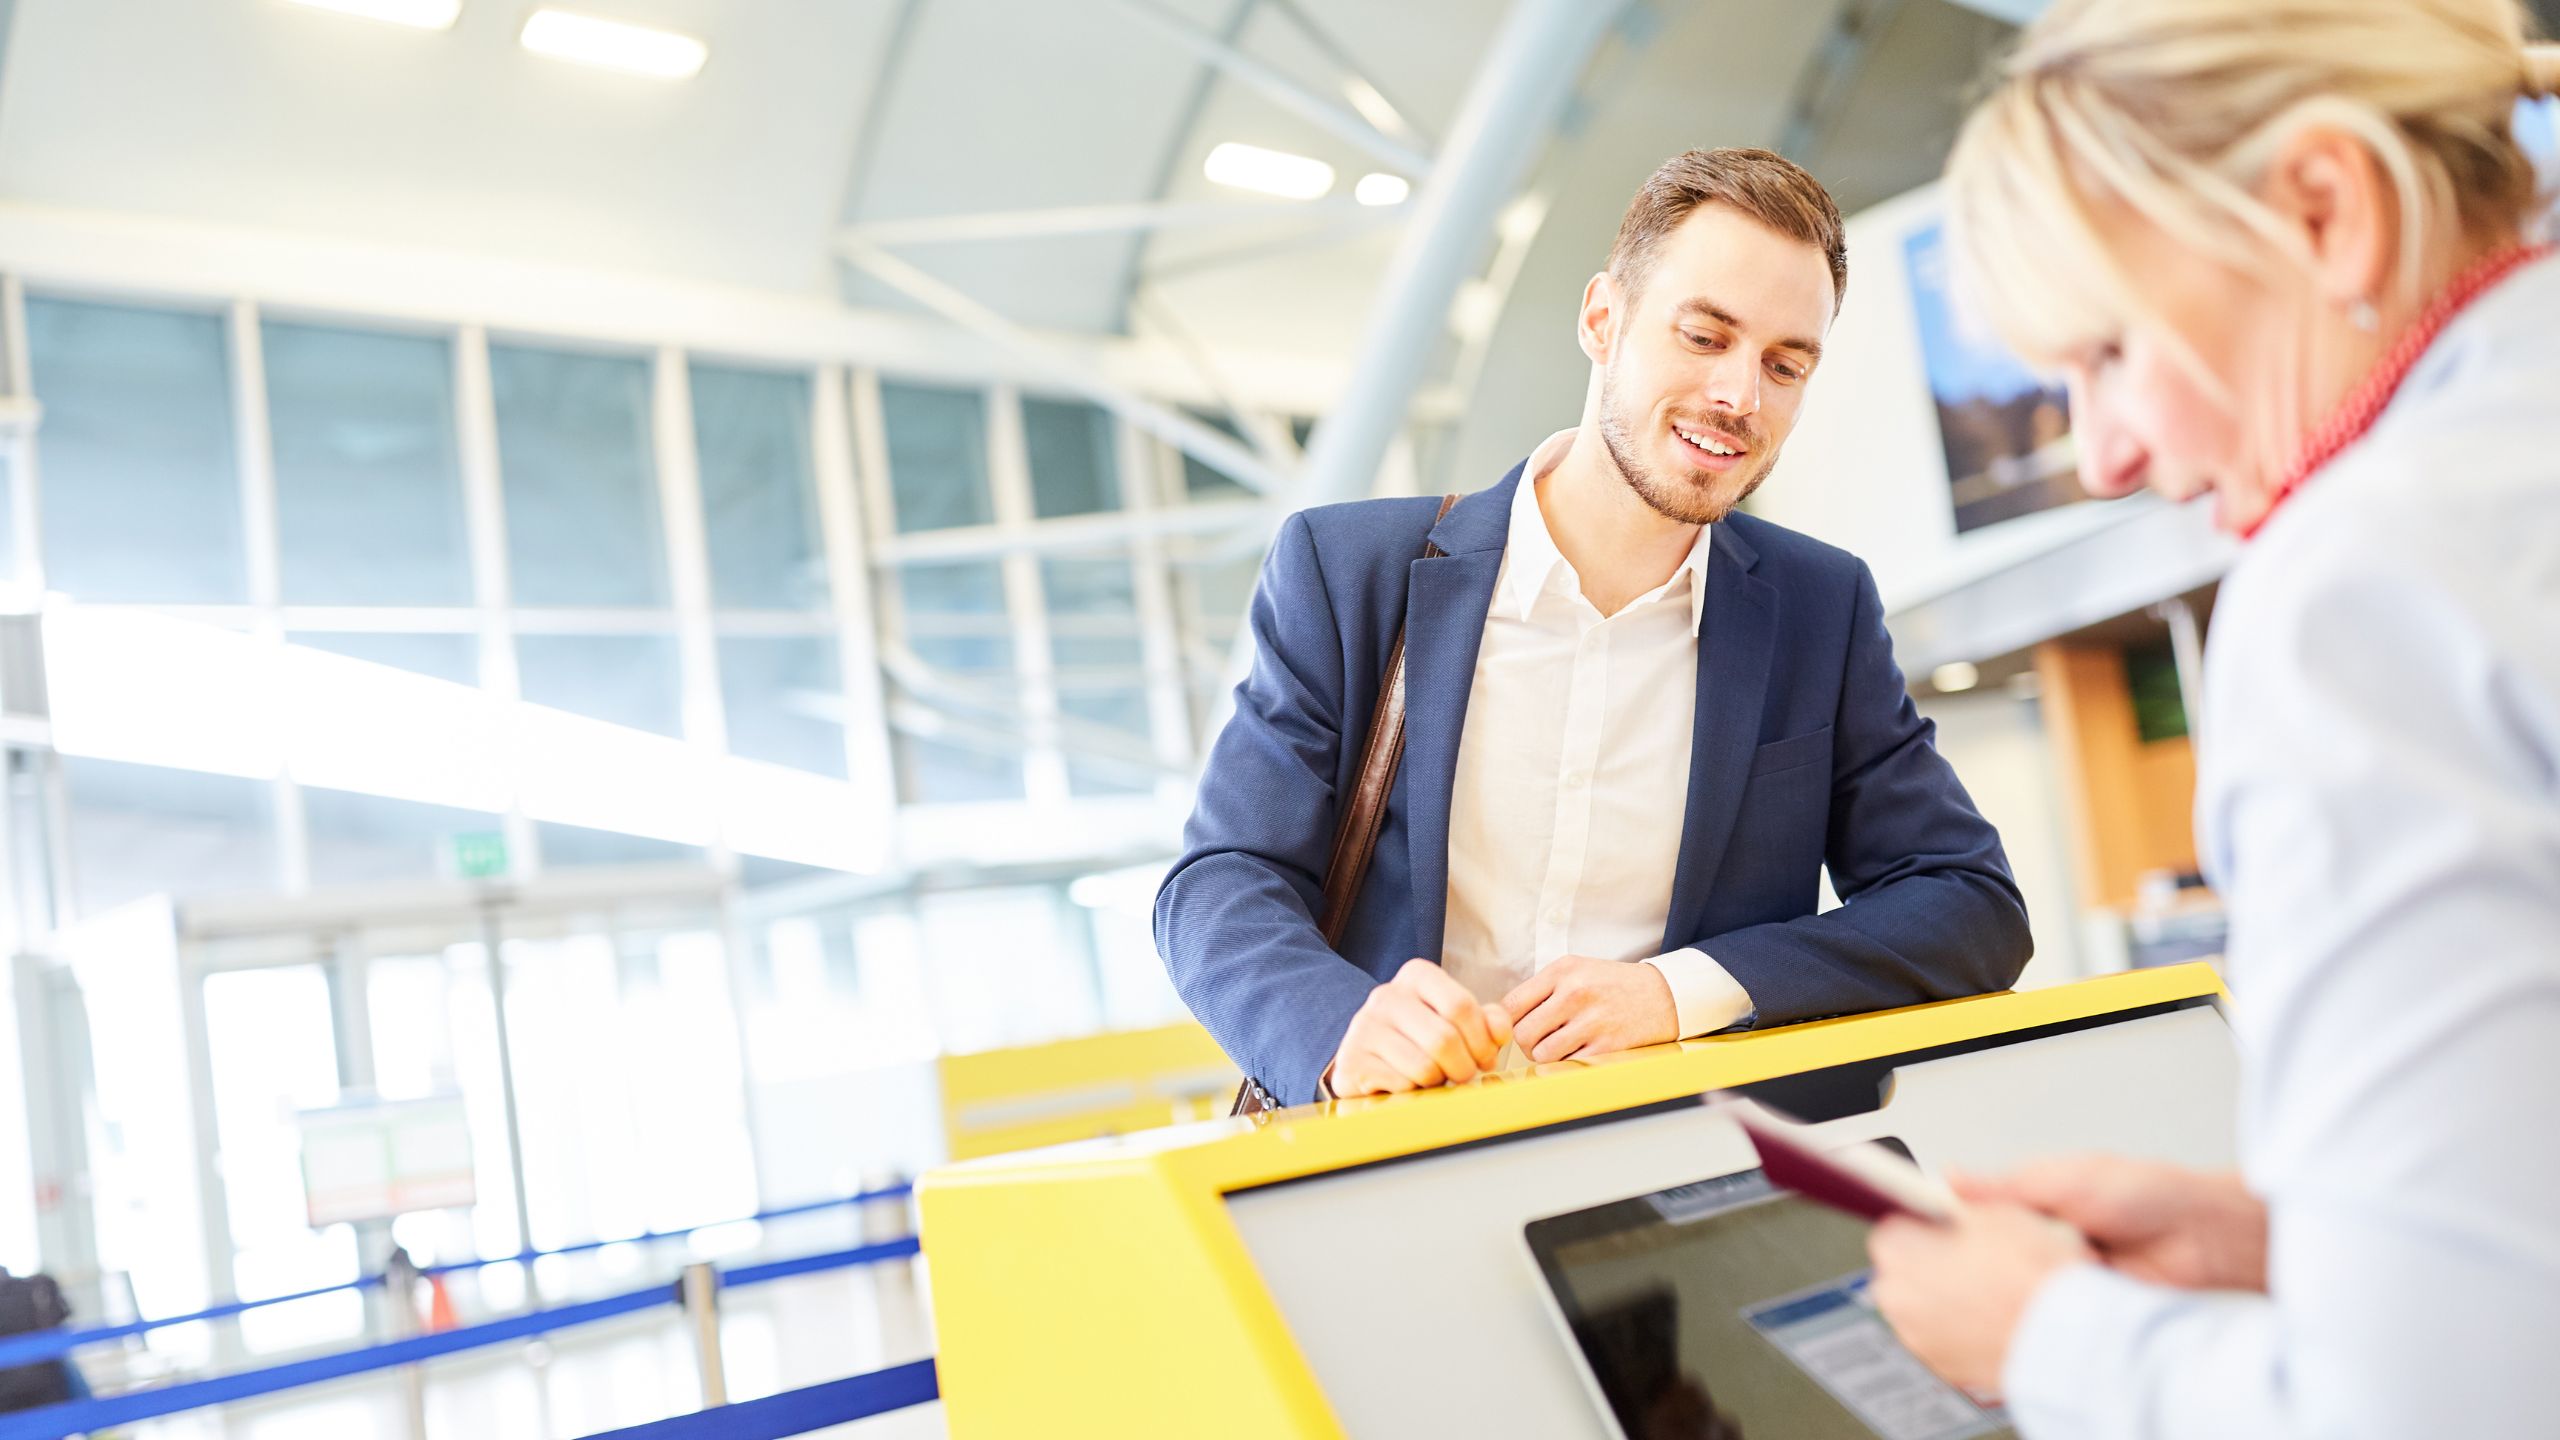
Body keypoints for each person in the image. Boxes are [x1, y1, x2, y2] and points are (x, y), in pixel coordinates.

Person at [1861, 3, 2560, 1436]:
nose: (2107, 453)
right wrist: (2322, 1245)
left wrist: (2046, 1336)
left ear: (2325, 209)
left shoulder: (2365, 592)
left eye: (2113, 350)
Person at [1157, 148, 2032, 1105]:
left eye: (1786, 364)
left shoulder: (1820, 612)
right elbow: (1218, 884)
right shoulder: (1353, 571)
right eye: (1705, 337)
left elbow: (1970, 905)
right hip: (1392, 1158)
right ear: (1602, 320)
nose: (1742, 398)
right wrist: (1339, 1028)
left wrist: (1678, 992)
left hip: (1695, 1172)